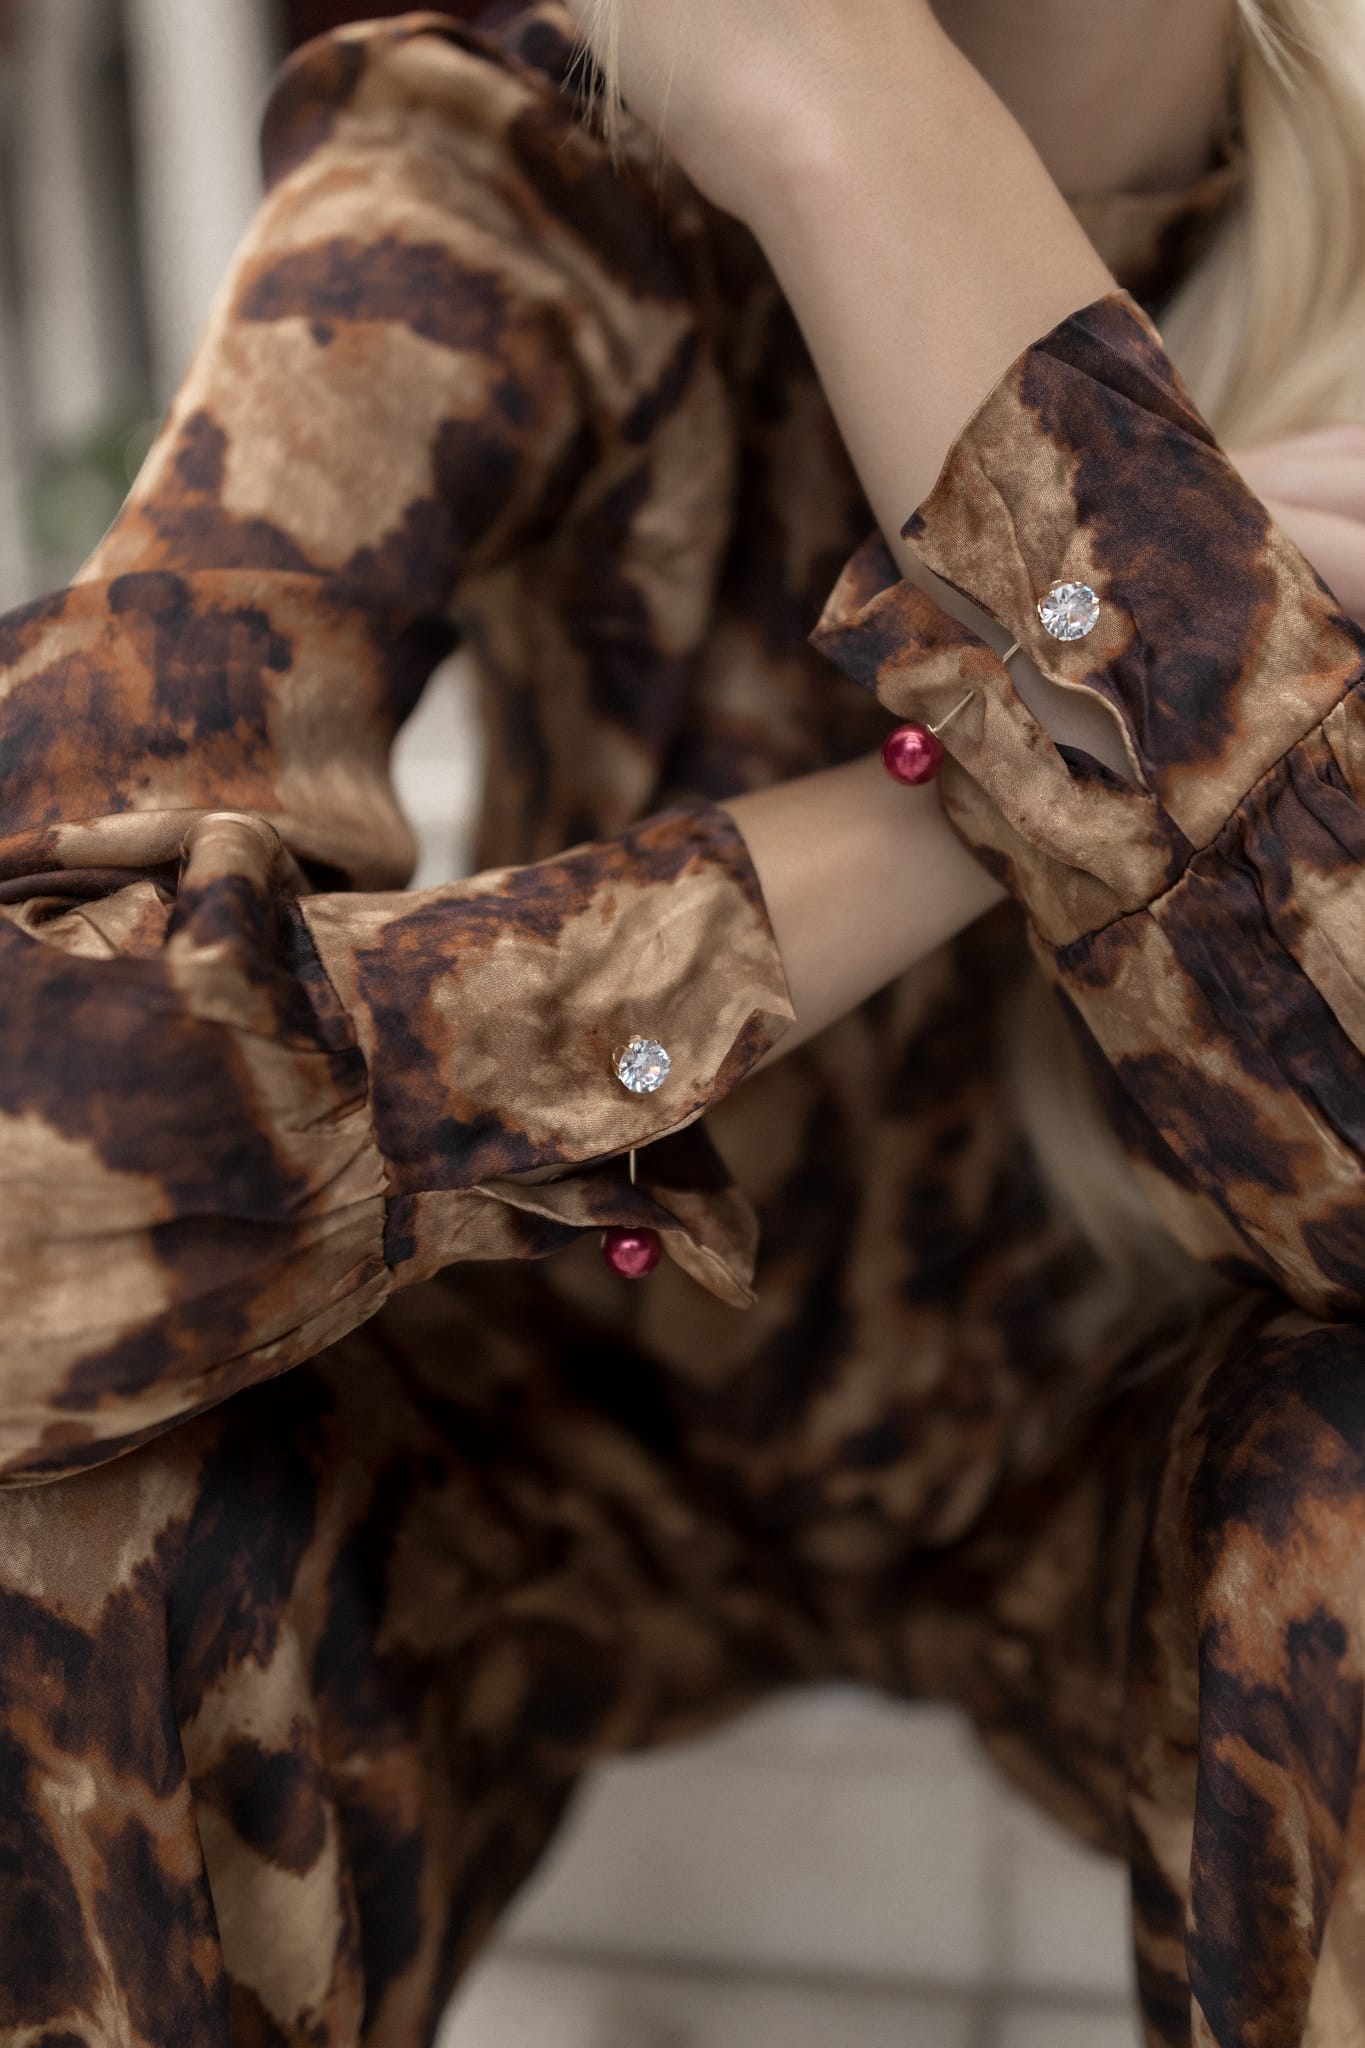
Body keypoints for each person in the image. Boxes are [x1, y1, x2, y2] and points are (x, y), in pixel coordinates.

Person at [1, 0, 1363, 2039]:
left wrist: (871, 128)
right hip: (567, 1441)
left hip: (1135, 1428)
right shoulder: (519, 162)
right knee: (74, 1513)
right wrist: (998, 747)